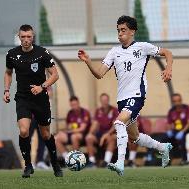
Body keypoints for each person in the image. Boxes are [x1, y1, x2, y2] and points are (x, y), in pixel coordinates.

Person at [78, 15, 173, 176]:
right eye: (118, 30)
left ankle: (120, 163)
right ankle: (163, 148)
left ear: (132, 32)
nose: (120, 34)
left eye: (123, 30)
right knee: (134, 137)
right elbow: (100, 74)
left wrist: (168, 68)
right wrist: (88, 61)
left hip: (137, 95)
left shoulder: (142, 47)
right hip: (122, 99)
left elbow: (167, 52)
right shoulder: (114, 52)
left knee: (118, 123)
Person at [3, 24, 62, 177]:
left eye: (29, 37)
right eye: (23, 37)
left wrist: (42, 87)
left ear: (33, 36)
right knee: (24, 131)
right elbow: (8, 73)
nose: (26, 40)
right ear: (19, 37)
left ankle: (55, 163)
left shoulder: (42, 53)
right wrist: (6, 90)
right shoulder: (12, 54)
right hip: (23, 98)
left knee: (45, 135)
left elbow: (55, 75)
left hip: (41, 99)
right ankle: (28, 166)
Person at [85, 93, 118, 167]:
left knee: (111, 139)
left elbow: (115, 125)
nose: (104, 102)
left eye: (105, 100)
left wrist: (107, 134)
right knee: (88, 138)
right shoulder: (98, 111)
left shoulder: (114, 110)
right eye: (102, 100)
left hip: (110, 133)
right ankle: (92, 162)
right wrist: (90, 133)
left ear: (108, 100)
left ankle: (106, 162)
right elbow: (95, 124)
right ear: (100, 101)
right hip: (99, 134)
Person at [166, 93, 189, 164]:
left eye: (178, 100)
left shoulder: (187, 108)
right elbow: (169, 123)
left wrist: (182, 132)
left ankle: (184, 159)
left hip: (186, 130)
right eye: (175, 101)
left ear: (181, 100)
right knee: (165, 138)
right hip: (176, 130)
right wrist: (170, 131)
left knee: (183, 139)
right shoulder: (171, 111)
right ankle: (167, 159)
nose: (177, 103)